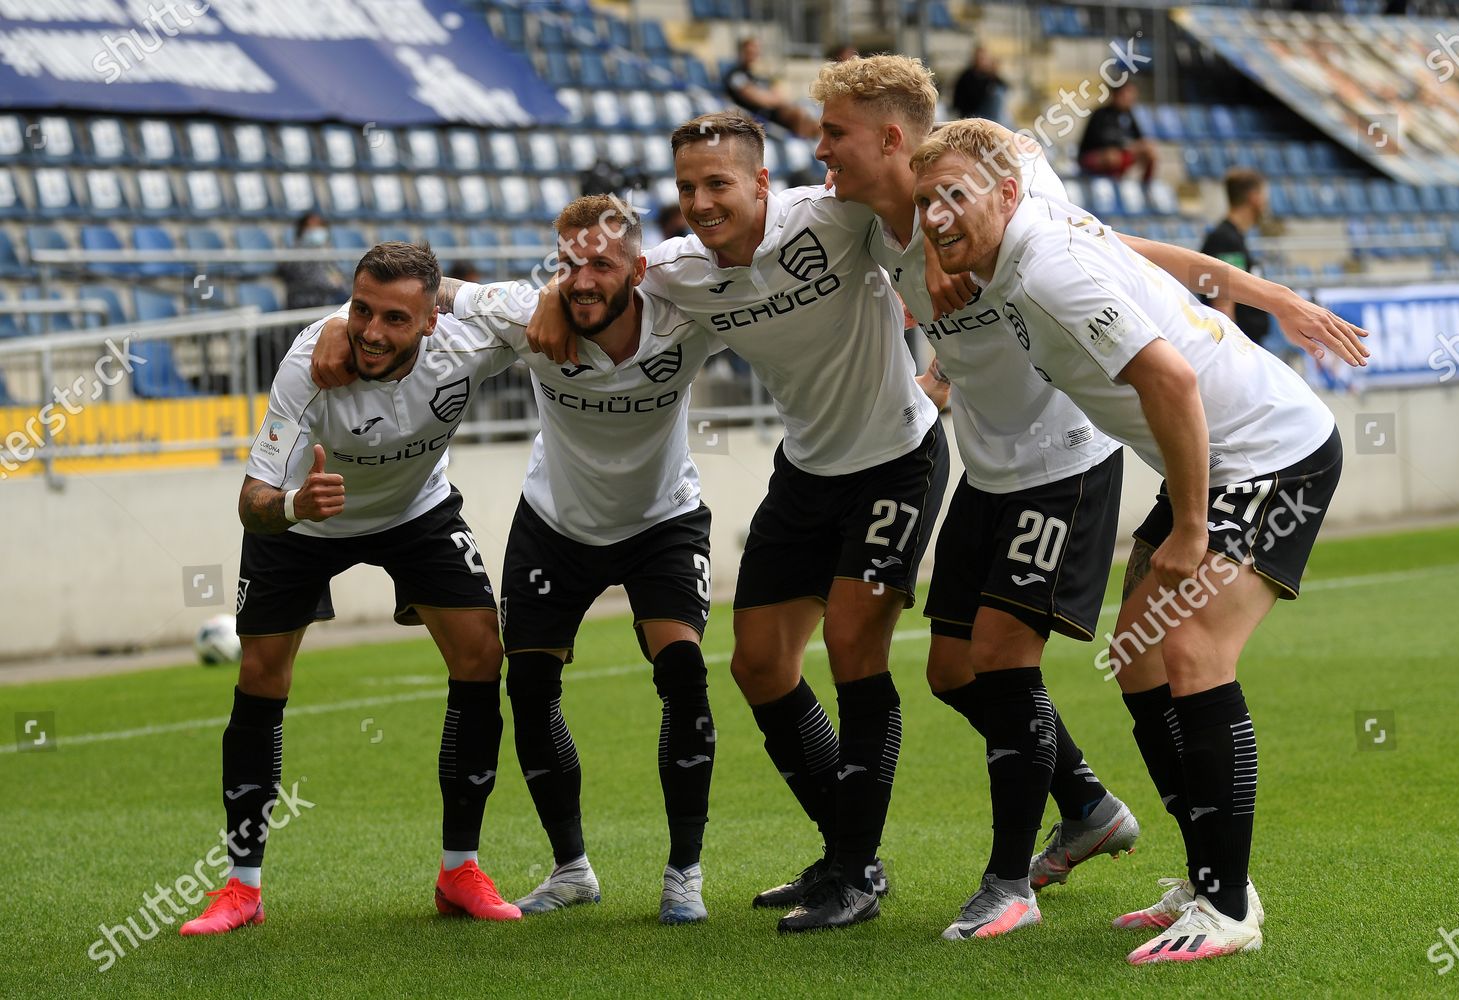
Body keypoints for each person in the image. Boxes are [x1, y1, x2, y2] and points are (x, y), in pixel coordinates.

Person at [912, 118, 1347, 963]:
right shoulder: (1033, 219)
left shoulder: (1047, 269)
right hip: (1224, 457)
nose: (935, 215)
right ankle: (1210, 874)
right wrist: (1273, 297)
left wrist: (1189, 526)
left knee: (1189, 653)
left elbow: (1172, 379)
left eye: (954, 196)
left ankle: (1226, 908)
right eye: (926, 201)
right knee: (1139, 656)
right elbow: (1158, 257)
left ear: (1006, 192)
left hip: (1270, 455)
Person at [528, 110, 954, 934]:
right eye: (687, 186)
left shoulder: (832, 216)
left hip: (898, 457)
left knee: (854, 647)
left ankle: (855, 875)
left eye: (718, 183)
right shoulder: (678, 271)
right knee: (759, 666)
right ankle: (848, 855)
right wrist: (553, 292)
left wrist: (943, 377)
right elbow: (602, 278)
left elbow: (926, 228)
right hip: (805, 472)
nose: (701, 201)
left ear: (761, 181)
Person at [308, 198, 722, 925]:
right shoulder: (522, 310)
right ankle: (572, 870)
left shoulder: (687, 314)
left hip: (663, 519)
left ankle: (684, 872)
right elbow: (430, 287)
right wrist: (338, 333)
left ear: (638, 268)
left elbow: (773, 310)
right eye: (569, 264)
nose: (583, 279)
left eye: (601, 265)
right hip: (556, 523)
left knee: (682, 671)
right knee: (527, 683)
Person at [814, 53, 1137, 941]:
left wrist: (981, 249)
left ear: (893, 139)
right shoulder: (881, 235)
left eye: (834, 134)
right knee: (950, 670)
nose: (820, 152)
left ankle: (1009, 884)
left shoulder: (1004, 177)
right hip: (987, 467)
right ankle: (1087, 805)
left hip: (1065, 458)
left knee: (1001, 657)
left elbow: (1062, 218)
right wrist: (933, 370)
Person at [181, 243, 523, 936]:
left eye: (395, 317)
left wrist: (456, 291)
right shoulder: (309, 366)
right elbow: (252, 500)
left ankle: (460, 870)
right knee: (260, 676)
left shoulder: (467, 342)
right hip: (307, 524)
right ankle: (242, 887)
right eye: (360, 309)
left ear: (431, 320)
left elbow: (541, 307)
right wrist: (293, 509)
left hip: (416, 512)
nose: (369, 331)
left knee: (482, 656)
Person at [1200, 169, 1271, 345]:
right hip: (1239, 347)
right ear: (1254, 198)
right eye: (1264, 196)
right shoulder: (1224, 239)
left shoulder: (1231, 237)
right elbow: (1222, 303)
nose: (1266, 203)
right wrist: (1234, 347)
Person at [723, 37, 821, 140]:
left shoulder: (758, 75)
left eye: (756, 49)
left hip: (775, 111)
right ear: (742, 52)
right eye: (750, 49)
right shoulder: (736, 75)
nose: (754, 52)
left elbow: (780, 94)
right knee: (799, 114)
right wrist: (773, 98)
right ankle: (804, 145)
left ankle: (815, 145)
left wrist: (773, 97)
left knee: (814, 119)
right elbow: (758, 99)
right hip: (759, 115)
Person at [1078, 79, 1156, 183]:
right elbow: (1101, 141)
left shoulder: (1129, 115)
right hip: (1093, 156)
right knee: (1112, 156)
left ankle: (1146, 186)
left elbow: (1139, 138)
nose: (1131, 98)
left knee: (1149, 150)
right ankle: (1112, 184)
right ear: (1117, 95)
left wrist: (1140, 146)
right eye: (1127, 94)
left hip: (1121, 154)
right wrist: (1128, 146)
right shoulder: (1101, 114)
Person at [277, 212, 347, 310]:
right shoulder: (295, 255)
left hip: (326, 300)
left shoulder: (325, 253)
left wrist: (337, 283)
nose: (317, 230)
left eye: (320, 226)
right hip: (304, 304)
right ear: (302, 230)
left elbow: (340, 277)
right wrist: (334, 284)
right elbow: (312, 280)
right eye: (312, 227)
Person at [951, 46, 1009, 122]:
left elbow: (1004, 87)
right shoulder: (968, 76)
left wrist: (993, 74)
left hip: (990, 115)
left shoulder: (988, 75)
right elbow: (972, 99)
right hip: (971, 114)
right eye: (981, 58)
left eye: (985, 59)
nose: (983, 62)